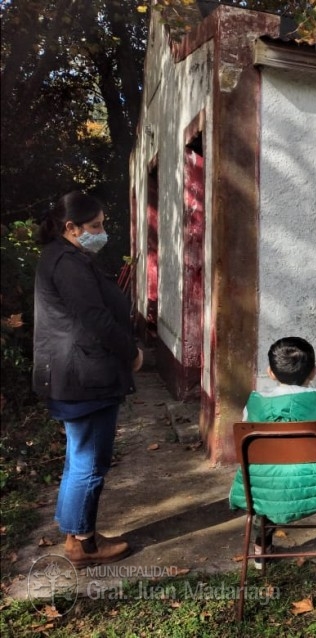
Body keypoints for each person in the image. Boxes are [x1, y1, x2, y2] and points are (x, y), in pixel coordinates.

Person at [33, 191, 144, 567]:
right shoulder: (68, 263)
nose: (102, 231)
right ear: (71, 227)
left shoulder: (62, 256)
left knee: (78, 458)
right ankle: (84, 544)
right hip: (85, 377)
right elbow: (96, 318)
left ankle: (75, 532)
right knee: (90, 463)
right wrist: (131, 353)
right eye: (95, 226)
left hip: (74, 373)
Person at [228, 337, 316, 574]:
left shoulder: (253, 407)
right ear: (314, 371)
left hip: (263, 488)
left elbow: (246, 455)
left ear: (270, 372)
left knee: (264, 482)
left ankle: (261, 548)